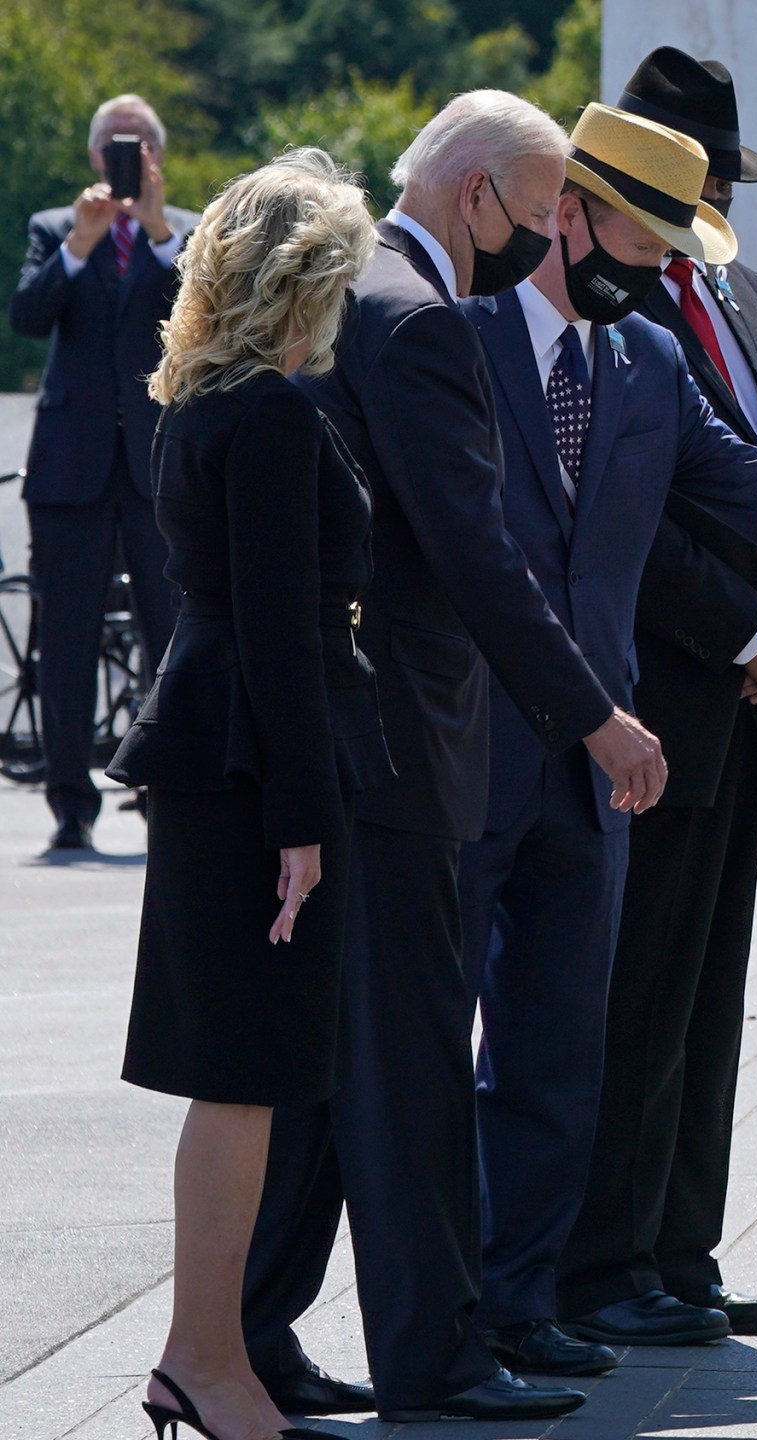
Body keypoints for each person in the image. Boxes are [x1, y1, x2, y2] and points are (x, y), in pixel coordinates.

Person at [466, 103, 757, 1368]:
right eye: (644, 232)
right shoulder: (463, 335)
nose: (658, 264)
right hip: (495, 744)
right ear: (568, 210)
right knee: (485, 1045)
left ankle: (537, 1299)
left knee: (584, 1030)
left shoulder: (644, 359)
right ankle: (481, 1305)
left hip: (613, 745)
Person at [240, 91, 670, 1428]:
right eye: (539, 215)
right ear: (474, 193)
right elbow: (474, 554)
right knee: (417, 1067)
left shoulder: (349, 291)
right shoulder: (419, 319)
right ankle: (434, 1354)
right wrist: (595, 713)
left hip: (348, 734)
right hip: (408, 745)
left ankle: (251, 1330)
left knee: (332, 1059)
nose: (541, 243)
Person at [103, 148, 381, 1440]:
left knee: (244, 1077)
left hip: (215, 753)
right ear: (305, 280)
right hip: (247, 767)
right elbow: (283, 636)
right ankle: (204, 1364)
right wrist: (304, 826)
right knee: (245, 1078)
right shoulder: (266, 413)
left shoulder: (200, 402)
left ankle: (200, 1357)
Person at [593, 43, 757, 1344]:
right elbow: (634, 518)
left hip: (755, 702)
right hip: (668, 688)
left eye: (720, 172)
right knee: (635, 985)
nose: (711, 194)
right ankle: (605, 1258)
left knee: (706, 984)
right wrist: (745, 631)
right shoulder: (616, 307)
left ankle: (683, 1246)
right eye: (691, 168)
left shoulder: (746, 297)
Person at [8, 94, 194, 851]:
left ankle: (169, 791)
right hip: (71, 468)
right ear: (94, 156)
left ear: (159, 154)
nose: (129, 155)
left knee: (175, 637)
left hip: (157, 468)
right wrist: (79, 247)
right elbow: (25, 314)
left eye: (142, 143)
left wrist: (155, 232)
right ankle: (68, 801)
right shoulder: (55, 228)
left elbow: (206, 313)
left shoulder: (184, 230)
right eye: (118, 144)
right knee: (66, 639)